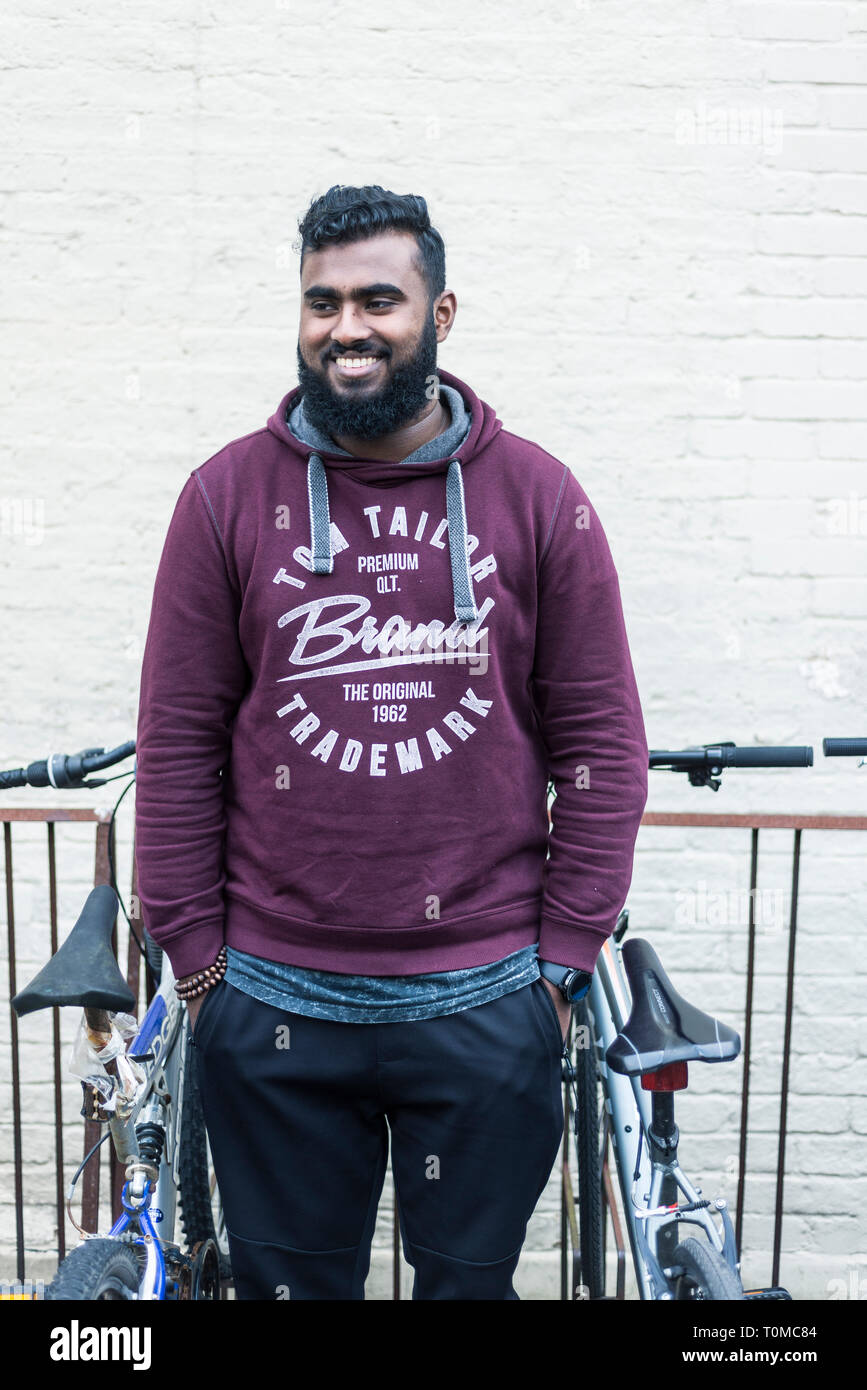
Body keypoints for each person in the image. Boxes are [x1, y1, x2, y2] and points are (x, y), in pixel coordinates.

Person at [134, 184, 649, 1300]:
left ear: (442, 313)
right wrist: (197, 958)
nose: (348, 329)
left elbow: (603, 742)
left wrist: (560, 961)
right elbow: (177, 740)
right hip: (272, 1006)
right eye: (323, 302)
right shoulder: (225, 498)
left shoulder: (535, 497)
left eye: (379, 299)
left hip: (483, 1004)